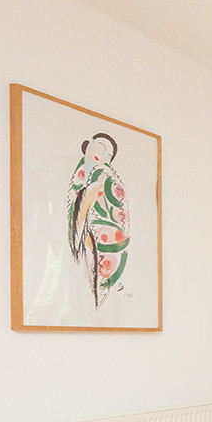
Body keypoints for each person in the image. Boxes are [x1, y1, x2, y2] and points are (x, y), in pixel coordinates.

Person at [67, 132, 130, 308]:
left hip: (104, 234)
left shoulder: (102, 173)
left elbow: (89, 203)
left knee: (98, 274)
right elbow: (85, 203)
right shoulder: (97, 173)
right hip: (97, 234)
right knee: (95, 274)